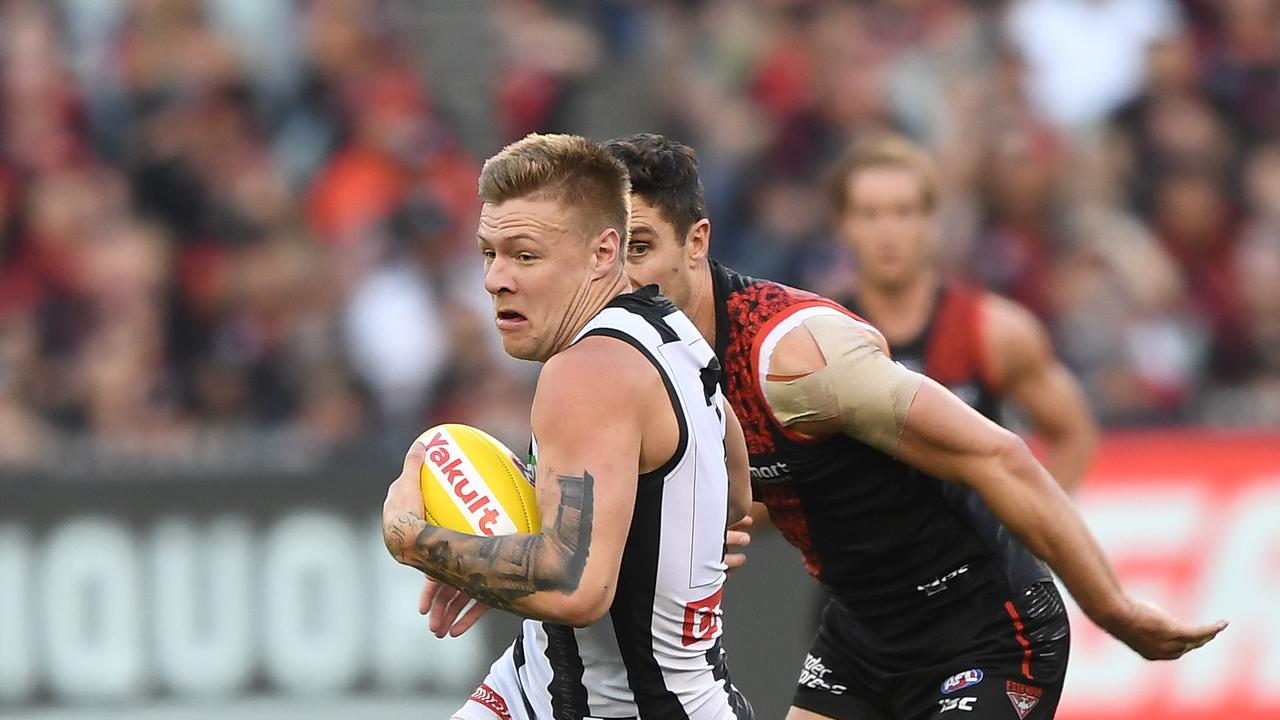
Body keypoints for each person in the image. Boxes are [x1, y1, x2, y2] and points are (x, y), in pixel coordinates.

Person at [602, 132, 1225, 720]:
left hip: (981, 629)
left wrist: (1111, 608)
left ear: (696, 242)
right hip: (861, 630)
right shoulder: (650, 357)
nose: (622, 278)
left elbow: (1003, 455)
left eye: (641, 248)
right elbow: (784, 481)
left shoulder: (799, 353)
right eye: (607, 254)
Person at [381, 133, 754, 720]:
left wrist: (415, 542)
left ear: (604, 253)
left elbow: (572, 587)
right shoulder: (668, 326)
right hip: (540, 681)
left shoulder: (586, 372)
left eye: (525, 255)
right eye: (488, 253)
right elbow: (734, 469)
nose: (495, 279)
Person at [830, 134, 1097, 494]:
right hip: (856, 549)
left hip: (975, 549)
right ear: (843, 224)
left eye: (903, 212)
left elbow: (1072, 432)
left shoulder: (992, 331)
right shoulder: (816, 336)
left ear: (930, 220)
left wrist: (1036, 541)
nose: (887, 231)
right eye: (870, 214)